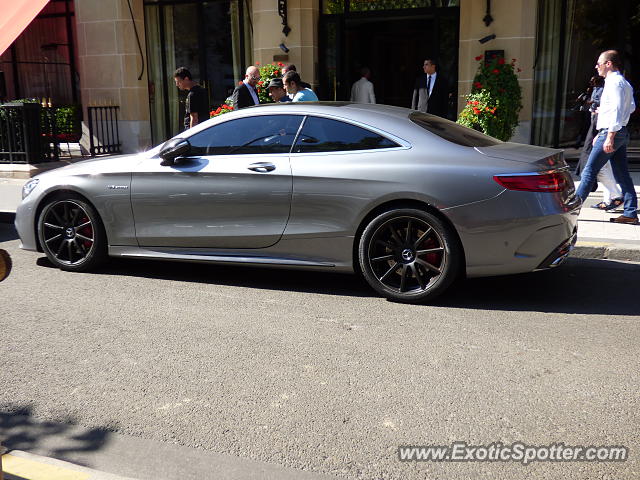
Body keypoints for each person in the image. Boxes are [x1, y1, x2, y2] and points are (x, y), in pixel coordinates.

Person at [575, 50, 638, 224]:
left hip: (613, 133)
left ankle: (571, 210)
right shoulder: (624, 83)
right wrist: (603, 116)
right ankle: (631, 213)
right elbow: (630, 107)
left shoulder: (614, 83)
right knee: (622, 174)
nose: (597, 67)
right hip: (618, 132)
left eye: (599, 63)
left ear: (608, 64)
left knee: (589, 171)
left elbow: (618, 110)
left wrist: (609, 135)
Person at [575, 75, 623, 211]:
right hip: (602, 130)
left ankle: (616, 196)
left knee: (595, 168)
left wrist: (605, 134)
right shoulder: (610, 88)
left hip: (602, 131)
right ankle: (611, 199)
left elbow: (614, 113)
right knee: (605, 167)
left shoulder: (610, 89)